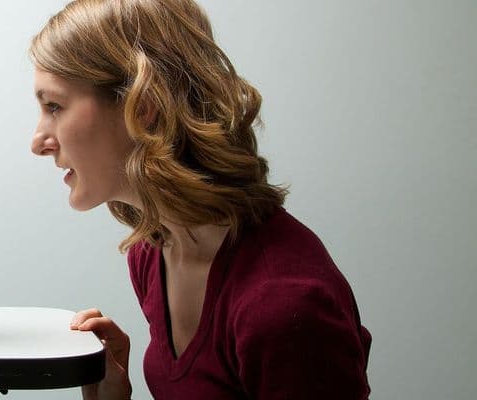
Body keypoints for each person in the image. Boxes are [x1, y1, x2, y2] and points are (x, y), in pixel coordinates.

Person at [28, 0, 371, 399]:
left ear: (144, 106)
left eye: (54, 105)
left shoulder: (284, 306)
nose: (38, 142)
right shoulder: (153, 253)